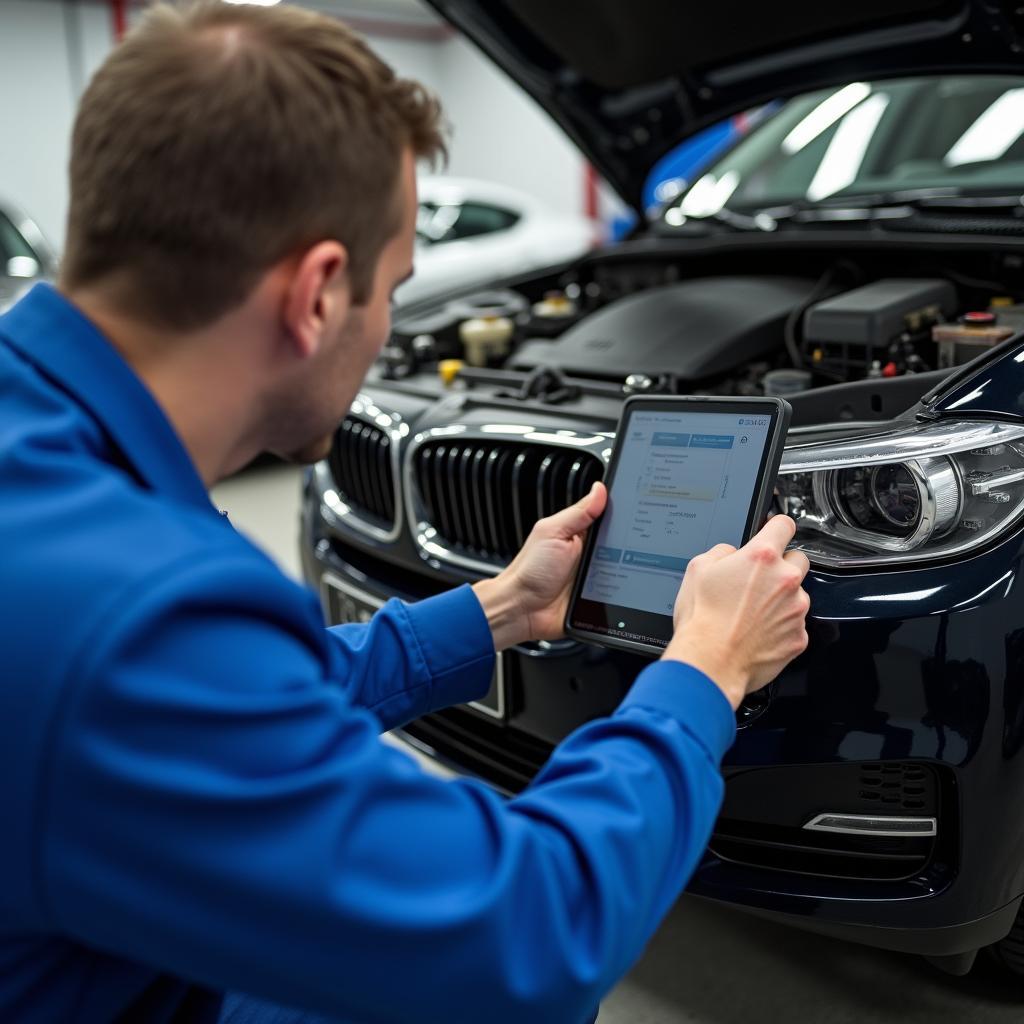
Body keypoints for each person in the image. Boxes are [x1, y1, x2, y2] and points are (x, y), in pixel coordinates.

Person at [0, 3, 811, 1022]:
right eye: (394, 289)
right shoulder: (129, 612)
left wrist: (501, 609)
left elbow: (242, 704)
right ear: (317, 293)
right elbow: (526, 933)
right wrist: (704, 669)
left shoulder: (45, 462)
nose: (388, 325)